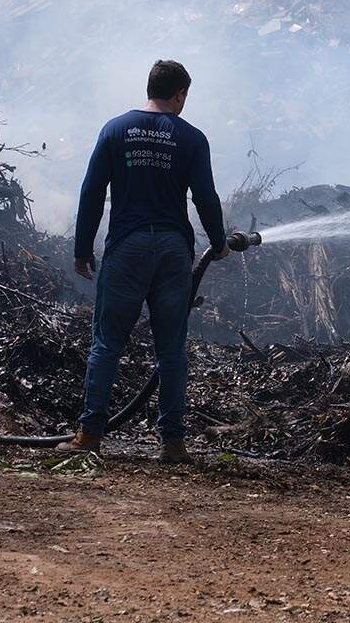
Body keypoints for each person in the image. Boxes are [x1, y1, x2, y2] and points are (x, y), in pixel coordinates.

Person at [58, 60, 228, 462]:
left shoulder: (115, 130)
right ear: (180, 94)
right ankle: (172, 443)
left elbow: (92, 192)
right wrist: (218, 242)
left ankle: (90, 435)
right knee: (171, 350)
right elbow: (205, 196)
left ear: (149, 87)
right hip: (172, 252)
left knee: (108, 343)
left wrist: (83, 247)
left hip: (128, 248)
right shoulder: (192, 138)